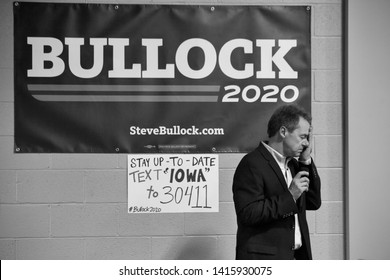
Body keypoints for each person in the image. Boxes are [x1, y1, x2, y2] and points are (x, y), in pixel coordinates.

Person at [232, 104, 321, 260]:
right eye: (302, 137)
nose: (306, 143)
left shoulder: (294, 164)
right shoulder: (251, 164)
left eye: (307, 138)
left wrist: (305, 160)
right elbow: (248, 214)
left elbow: (313, 202)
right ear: (283, 131)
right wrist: (290, 195)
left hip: (295, 258)